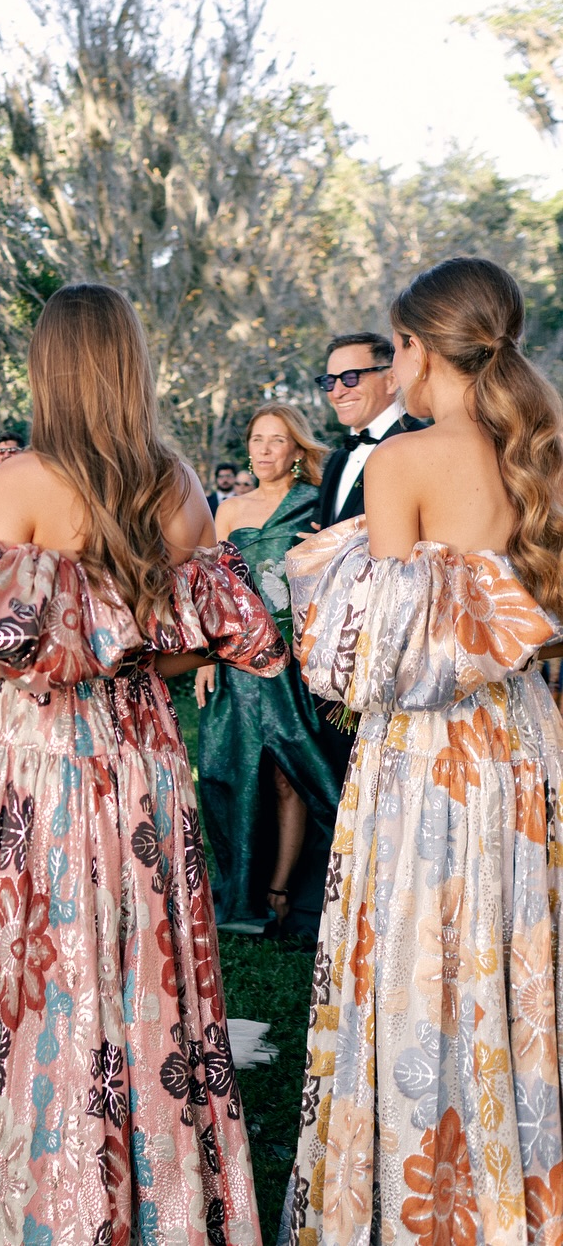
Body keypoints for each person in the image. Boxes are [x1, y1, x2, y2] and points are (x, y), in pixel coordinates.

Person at [0, 284, 285, 1244]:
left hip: (38, 757)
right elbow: (204, 642)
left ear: (50, 369)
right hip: (144, 752)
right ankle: (159, 1200)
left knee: (39, 966)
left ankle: (46, 1194)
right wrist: (131, 653)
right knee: (146, 961)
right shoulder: (179, 483)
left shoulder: (23, 481)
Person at [283, 257, 563, 1245]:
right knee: (515, 956)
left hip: (429, 753)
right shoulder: (541, 451)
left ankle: (420, 1200)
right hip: (524, 742)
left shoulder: (404, 461)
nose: (387, 366)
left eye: (394, 345)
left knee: (415, 962)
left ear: (422, 348)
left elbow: (379, 655)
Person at [194, 405, 342, 938]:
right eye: (256, 439)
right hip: (239, 662)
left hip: (297, 663)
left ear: (297, 451)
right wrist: (207, 659)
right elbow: (210, 590)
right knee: (228, 772)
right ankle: (242, 890)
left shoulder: (315, 505)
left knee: (291, 774)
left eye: (276, 441)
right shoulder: (229, 509)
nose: (262, 450)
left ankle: (284, 892)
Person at [312, 331, 419, 530]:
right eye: (329, 381)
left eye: (350, 378)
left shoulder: (423, 443)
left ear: (391, 380)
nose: (337, 392)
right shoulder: (338, 459)